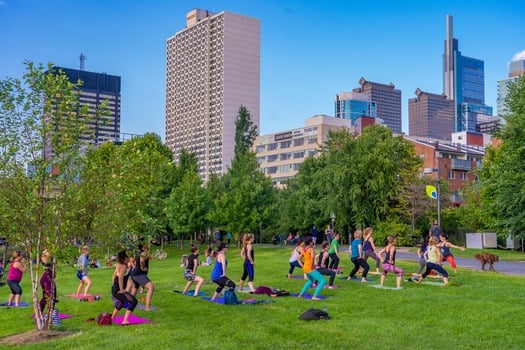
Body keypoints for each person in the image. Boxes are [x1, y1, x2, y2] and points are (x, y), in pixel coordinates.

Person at [111, 250, 138, 325]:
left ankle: (113, 317)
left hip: (116, 289)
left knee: (122, 301)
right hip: (118, 290)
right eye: (128, 256)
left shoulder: (122, 264)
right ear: (125, 258)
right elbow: (120, 278)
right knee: (134, 301)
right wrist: (122, 289)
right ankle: (125, 320)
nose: (129, 257)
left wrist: (114, 287)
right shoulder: (122, 266)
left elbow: (114, 276)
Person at [128, 245, 155, 310]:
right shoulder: (143, 253)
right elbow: (141, 261)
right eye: (146, 248)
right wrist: (143, 268)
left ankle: (130, 304)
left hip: (135, 274)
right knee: (151, 287)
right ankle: (147, 308)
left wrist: (135, 267)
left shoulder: (138, 253)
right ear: (143, 248)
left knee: (135, 289)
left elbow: (131, 260)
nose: (148, 248)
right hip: (138, 274)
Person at [39, 248, 57, 312]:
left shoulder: (48, 253)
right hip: (47, 278)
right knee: (51, 297)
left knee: (45, 298)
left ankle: (40, 313)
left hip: (47, 277)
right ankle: (50, 315)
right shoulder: (46, 253)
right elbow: (47, 259)